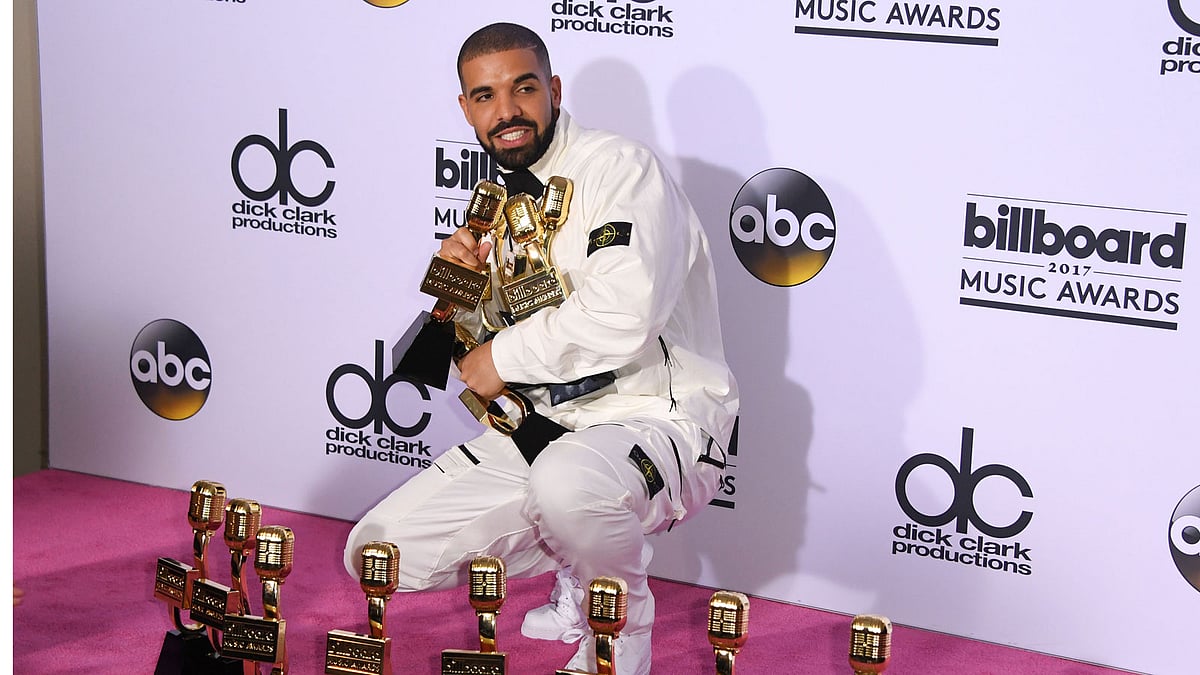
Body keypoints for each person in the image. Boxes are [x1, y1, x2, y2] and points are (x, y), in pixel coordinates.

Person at [344, 22, 738, 674]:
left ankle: (617, 629)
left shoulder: (621, 169)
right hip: (543, 428)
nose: (507, 111)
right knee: (378, 553)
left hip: (658, 418)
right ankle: (578, 561)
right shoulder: (492, 201)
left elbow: (623, 314)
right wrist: (456, 285)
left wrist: (503, 360)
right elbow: (457, 358)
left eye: (523, 88)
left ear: (552, 89)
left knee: (568, 482)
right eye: (486, 96)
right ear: (467, 108)